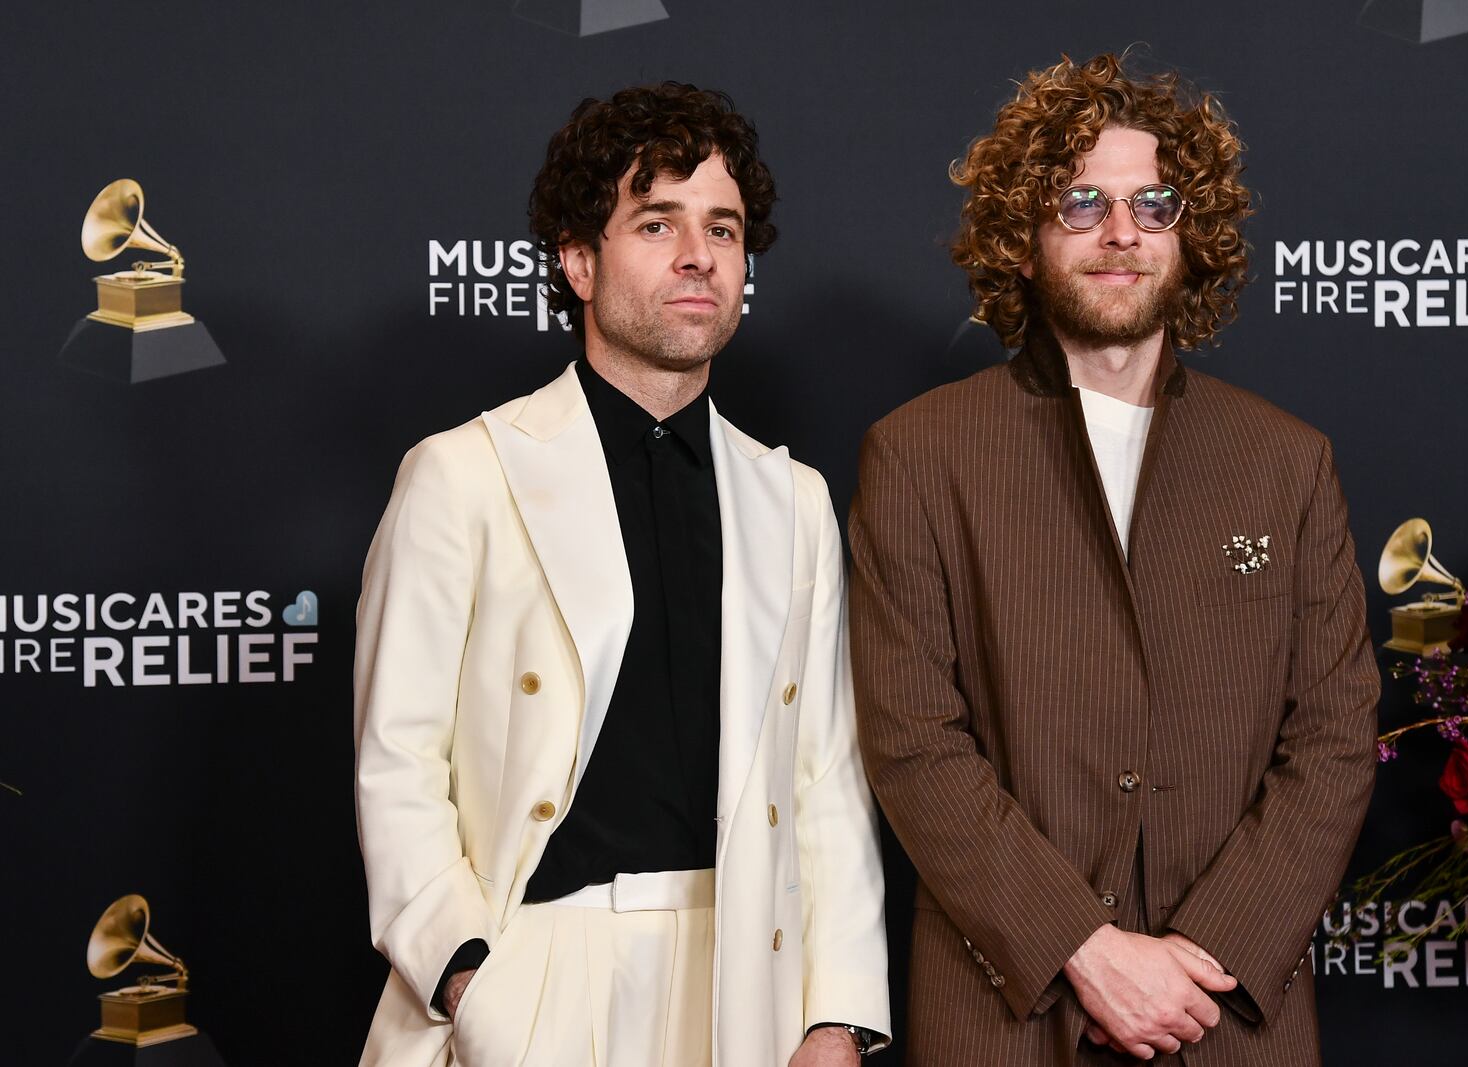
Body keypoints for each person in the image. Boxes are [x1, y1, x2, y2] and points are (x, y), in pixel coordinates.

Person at [848, 53, 1379, 1065]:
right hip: (1006, 1013)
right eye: (1081, 201)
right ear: (1024, 234)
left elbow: (1336, 734)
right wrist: (1083, 949)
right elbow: (913, 740)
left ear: (1193, 233)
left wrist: (1203, 951)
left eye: (1153, 203)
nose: (1121, 231)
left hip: (1224, 1014)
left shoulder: (1284, 460)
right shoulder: (919, 453)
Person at [355, 82, 889, 1067]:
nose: (699, 255)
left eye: (722, 228)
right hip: (539, 967)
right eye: (657, 222)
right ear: (578, 260)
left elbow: (823, 779)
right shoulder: (463, 474)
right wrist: (470, 973)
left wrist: (835, 1013)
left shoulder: (795, 501)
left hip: (746, 977)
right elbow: (399, 759)